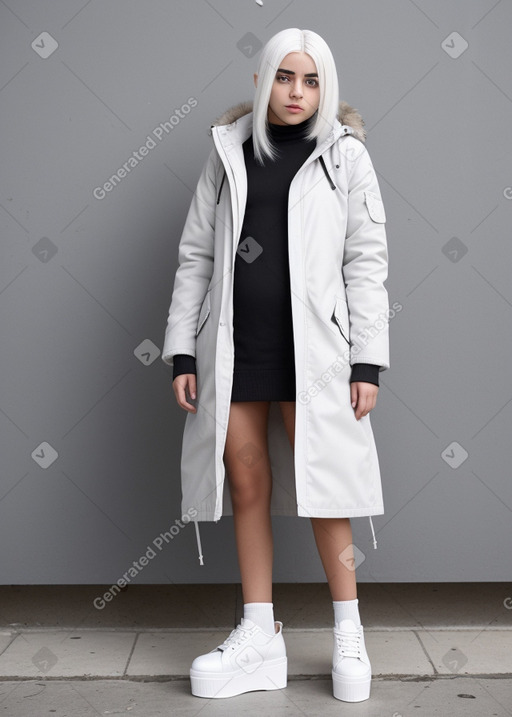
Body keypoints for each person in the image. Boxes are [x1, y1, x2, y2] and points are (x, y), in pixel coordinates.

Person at [162, 27, 390, 703]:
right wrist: (182, 346)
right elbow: (196, 254)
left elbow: (367, 263)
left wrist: (366, 362)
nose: (297, 92)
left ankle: (349, 627)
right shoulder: (228, 151)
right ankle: (260, 630)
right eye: (286, 77)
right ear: (264, 80)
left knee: (327, 483)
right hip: (237, 345)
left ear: (327, 88)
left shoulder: (345, 157)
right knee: (246, 477)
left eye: (312, 80)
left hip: (315, 352)